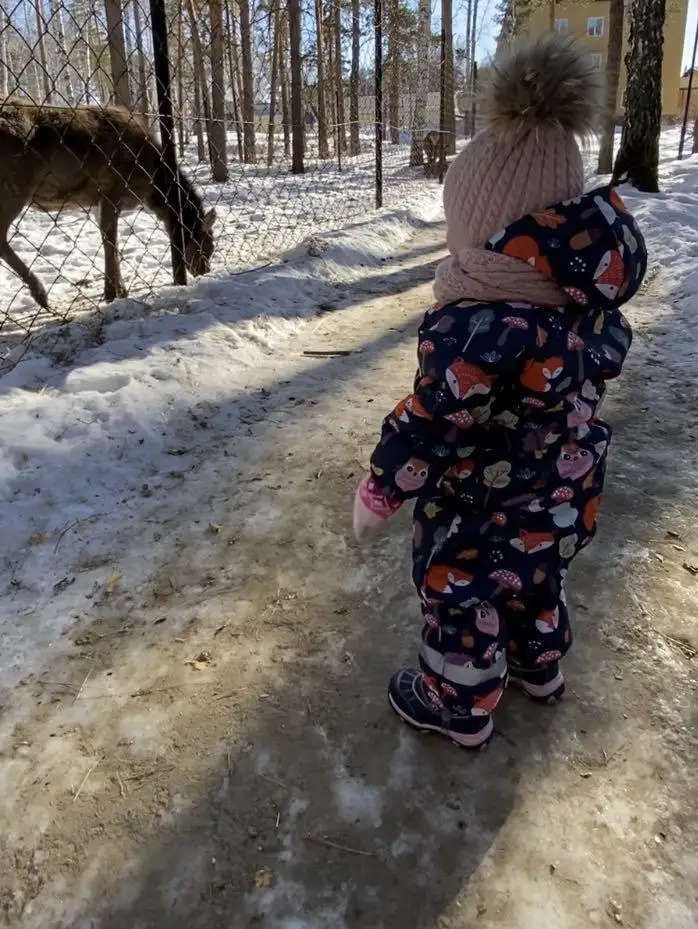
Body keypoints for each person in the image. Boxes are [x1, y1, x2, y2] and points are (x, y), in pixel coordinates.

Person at [352, 35, 647, 749]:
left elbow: (430, 422)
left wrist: (382, 487)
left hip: (480, 507)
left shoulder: (476, 329)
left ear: (493, 242)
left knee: (459, 589)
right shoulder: (584, 309)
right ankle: (539, 666)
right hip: (560, 495)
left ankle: (459, 700)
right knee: (537, 576)